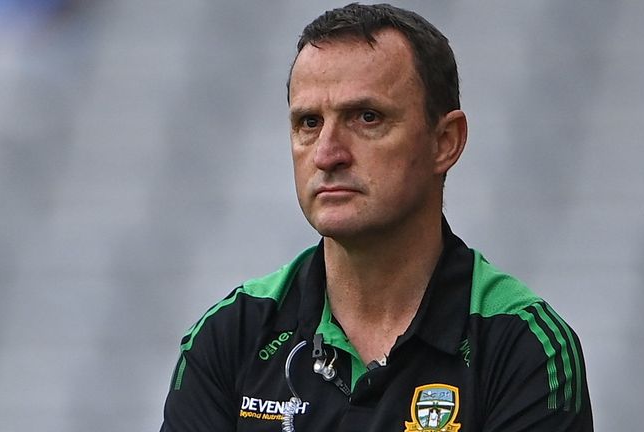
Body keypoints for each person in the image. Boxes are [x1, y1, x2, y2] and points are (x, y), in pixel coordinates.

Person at [160, 3, 593, 431]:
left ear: (445, 141)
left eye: (366, 117)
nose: (328, 154)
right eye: (309, 122)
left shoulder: (523, 344)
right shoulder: (229, 335)